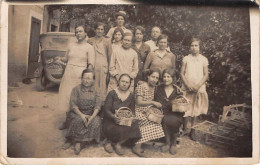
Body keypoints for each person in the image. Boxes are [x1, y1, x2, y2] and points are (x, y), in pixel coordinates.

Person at [58, 24, 95, 130]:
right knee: (67, 96)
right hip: (69, 73)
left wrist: (87, 78)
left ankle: (78, 123)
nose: (78, 33)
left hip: (80, 75)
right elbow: (65, 58)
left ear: (85, 33)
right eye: (76, 31)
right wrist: (58, 59)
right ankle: (67, 121)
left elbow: (91, 64)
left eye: (80, 31)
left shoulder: (89, 47)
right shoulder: (71, 45)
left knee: (78, 97)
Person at [62, 69, 102, 155]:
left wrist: (91, 117)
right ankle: (75, 141)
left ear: (93, 80)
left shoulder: (97, 90)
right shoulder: (76, 89)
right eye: (85, 78)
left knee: (96, 122)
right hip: (78, 113)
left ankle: (78, 142)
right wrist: (82, 115)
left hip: (91, 114)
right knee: (78, 120)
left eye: (89, 78)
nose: (87, 80)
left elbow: (98, 106)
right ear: (81, 78)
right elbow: (73, 105)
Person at [103, 74, 142, 156]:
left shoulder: (131, 95)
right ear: (118, 82)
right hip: (111, 120)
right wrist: (114, 117)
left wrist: (132, 118)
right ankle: (109, 142)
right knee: (116, 129)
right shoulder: (112, 93)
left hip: (124, 121)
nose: (124, 84)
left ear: (129, 84)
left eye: (127, 82)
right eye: (122, 81)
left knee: (136, 127)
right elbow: (106, 109)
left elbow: (132, 111)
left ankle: (117, 143)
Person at [133, 68, 165, 157]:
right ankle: (137, 147)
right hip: (138, 110)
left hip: (148, 111)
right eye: (153, 77)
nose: (154, 79)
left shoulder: (154, 87)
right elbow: (138, 102)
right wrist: (152, 102)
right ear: (148, 76)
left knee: (157, 123)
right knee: (148, 122)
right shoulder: (141, 86)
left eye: (156, 78)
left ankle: (137, 145)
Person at [180, 38, 209, 135]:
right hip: (187, 86)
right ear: (189, 47)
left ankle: (193, 129)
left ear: (200, 47)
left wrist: (198, 85)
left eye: (196, 45)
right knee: (186, 107)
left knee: (196, 108)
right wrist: (187, 84)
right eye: (192, 45)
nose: (194, 47)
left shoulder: (203, 59)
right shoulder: (186, 58)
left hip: (198, 87)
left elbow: (206, 75)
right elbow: (182, 73)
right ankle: (185, 128)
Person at [154, 68, 184, 155]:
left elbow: (180, 105)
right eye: (164, 77)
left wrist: (171, 104)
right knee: (165, 118)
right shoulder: (158, 88)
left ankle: (173, 143)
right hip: (162, 113)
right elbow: (157, 101)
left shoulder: (178, 91)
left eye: (168, 77)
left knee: (174, 120)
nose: (166, 79)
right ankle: (167, 143)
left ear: (173, 78)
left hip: (175, 113)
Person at [88, 22, 112, 102]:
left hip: (103, 67)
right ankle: (90, 106)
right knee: (91, 85)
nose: (100, 31)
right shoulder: (90, 40)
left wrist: (109, 71)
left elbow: (109, 56)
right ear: (95, 30)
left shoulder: (107, 41)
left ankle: (101, 107)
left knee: (102, 87)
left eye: (102, 29)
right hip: (92, 66)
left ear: (104, 31)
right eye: (98, 29)